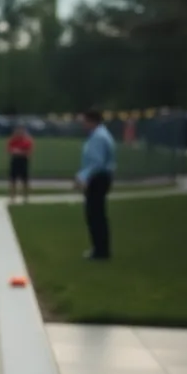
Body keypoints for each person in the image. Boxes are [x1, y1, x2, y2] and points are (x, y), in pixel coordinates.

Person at [75, 109, 116, 260]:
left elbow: (96, 163)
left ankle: (100, 251)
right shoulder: (100, 134)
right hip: (100, 177)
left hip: (98, 178)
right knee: (97, 213)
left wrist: (82, 177)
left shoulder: (98, 137)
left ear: (92, 121)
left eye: (84, 121)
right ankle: (100, 248)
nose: (83, 125)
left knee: (95, 214)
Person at [7, 124, 34, 204]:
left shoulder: (27, 141)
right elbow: (10, 150)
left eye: (21, 131)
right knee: (13, 180)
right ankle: (12, 197)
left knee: (25, 180)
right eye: (17, 131)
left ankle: (25, 197)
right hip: (15, 160)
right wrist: (18, 152)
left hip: (23, 161)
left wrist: (18, 152)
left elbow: (28, 152)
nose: (19, 132)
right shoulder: (12, 140)